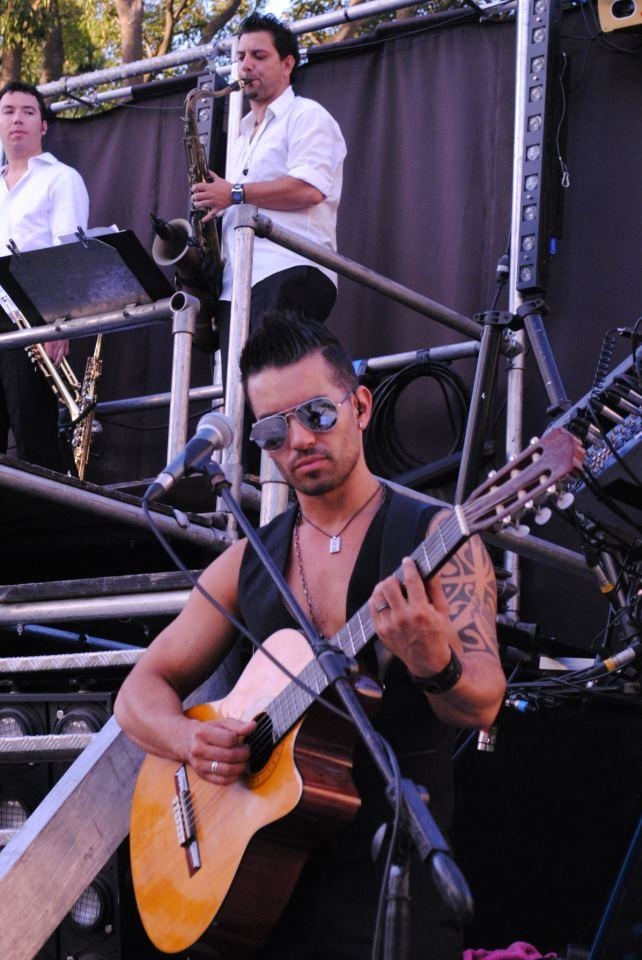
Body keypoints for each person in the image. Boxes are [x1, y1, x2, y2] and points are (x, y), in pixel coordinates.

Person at [115, 312, 506, 959]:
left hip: (392, 882)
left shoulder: (439, 539)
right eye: (273, 430)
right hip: (259, 883)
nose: (297, 439)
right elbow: (139, 691)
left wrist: (433, 662)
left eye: (317, 415)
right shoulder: (246, 561)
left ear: (360, 407)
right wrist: (190, 741)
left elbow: (485, 701)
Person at [190, 14, 346, 373]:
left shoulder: (307, 115)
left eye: (258, 56)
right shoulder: (242, 139)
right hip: (237, 287)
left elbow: (310, 188)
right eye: (241, 57)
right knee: (241, 398)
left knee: (274, 392)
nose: (246, 65)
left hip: (287, 270)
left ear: (287, 64)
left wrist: (234, 193)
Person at [0, 80, 89, 471]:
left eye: (28, 111)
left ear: (43, 126)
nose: (17, 119)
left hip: (32, 318)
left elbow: (69, 254)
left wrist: (60, 322)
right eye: (8, 111)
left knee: (32, 432)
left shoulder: (61, 178)